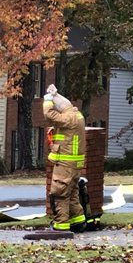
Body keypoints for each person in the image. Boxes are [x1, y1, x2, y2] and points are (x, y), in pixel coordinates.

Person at [43, 84, 87, 234]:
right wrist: (55, 95)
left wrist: (48, 100)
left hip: (66, 164)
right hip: (73, 164)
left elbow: (49, 115)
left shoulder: (68, 117)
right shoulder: (76, 115)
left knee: (59, 192)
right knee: (72, 193)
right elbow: (63, 105)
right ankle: (78, 221)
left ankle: (60, 225)